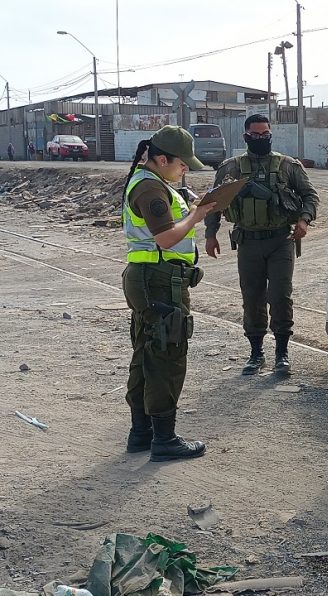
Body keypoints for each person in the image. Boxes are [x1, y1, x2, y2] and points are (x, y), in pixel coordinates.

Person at [121, 125, 217, 462]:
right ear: (161, 159)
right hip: (158, 278)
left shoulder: (155, 184)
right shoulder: (149, 189)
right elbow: (165, 239)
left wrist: (190, 205)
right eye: (182, 163)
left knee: (148, 351)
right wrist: (197, 215)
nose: (185, 168)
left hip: (151, 277)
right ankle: (163, 438)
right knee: (166, 352)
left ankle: (141, 432)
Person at [204, 114, 320, 375]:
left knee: (280, 296)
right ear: (246, 136)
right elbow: (214, 203)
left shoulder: (288, 166)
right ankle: (256, 353)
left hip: (281, 240)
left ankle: (282, 353)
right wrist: (210, 234)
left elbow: (310, 195)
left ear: (271, 134)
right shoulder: (231, 168)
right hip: (248, 241)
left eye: (265, 134)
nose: (260, 139)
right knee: (252, 297)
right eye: (255, 135)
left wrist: (304, 220)